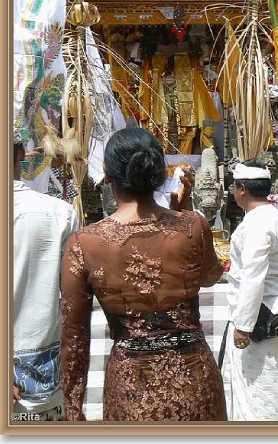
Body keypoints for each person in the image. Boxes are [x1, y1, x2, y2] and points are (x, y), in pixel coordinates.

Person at [60, 127, 226, 421]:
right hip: (195, 383)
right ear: (159, 172)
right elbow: (209, 277)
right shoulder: (192, 226)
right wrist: (183, 212)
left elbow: (75, 337)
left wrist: (73, 409)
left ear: (108, 173)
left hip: (133, 388)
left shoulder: (84, 244)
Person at [219, 159, 278, 420]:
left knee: (257, 394)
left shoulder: (256, 223)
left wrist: (243, 325)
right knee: (276, 383)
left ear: (242, 189)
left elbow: (253, 276)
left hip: (261, 315)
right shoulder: (277, 217)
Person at [13, 139, 79, 421]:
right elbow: (74, 299)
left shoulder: (60, 213)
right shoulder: (59, 213)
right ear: (20, 155)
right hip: (42, 371)